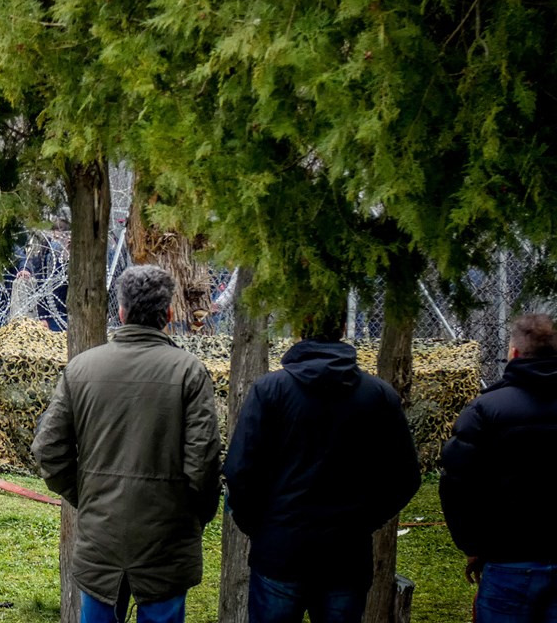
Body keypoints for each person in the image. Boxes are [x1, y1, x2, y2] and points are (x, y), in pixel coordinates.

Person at [32, 264, 221, 623]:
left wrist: (87, 495)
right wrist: (194, 515)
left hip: (101, 535)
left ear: (121, 311)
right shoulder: (189, 371)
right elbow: (204, 462)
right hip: (167, 537)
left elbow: (48, 450)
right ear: (168, 313)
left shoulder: (81, 369)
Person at [223, 306, 421, 623]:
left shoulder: (269, 391)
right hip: (346, 553)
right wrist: (364, 521)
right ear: (343, 327)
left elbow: (239, 471)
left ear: (299, 327)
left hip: (281, 550)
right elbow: (405, 476)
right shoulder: (378, 394)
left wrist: (261, 527)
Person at [440, 313, 557, 622]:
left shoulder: (484, 410)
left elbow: (457, 485)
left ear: (514, 352)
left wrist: (471, 545)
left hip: (508, 558)